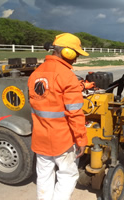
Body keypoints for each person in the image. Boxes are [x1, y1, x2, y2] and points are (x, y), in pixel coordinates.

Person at [28, 33, 89, 200]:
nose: (75, 59)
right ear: (67, 52)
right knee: (67, 175)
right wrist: (81, 139)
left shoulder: (35, 74)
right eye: (75, 54)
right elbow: (75, 113)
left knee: (44, 175)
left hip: (40, 137)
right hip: (63, 139)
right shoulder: (67, 76)